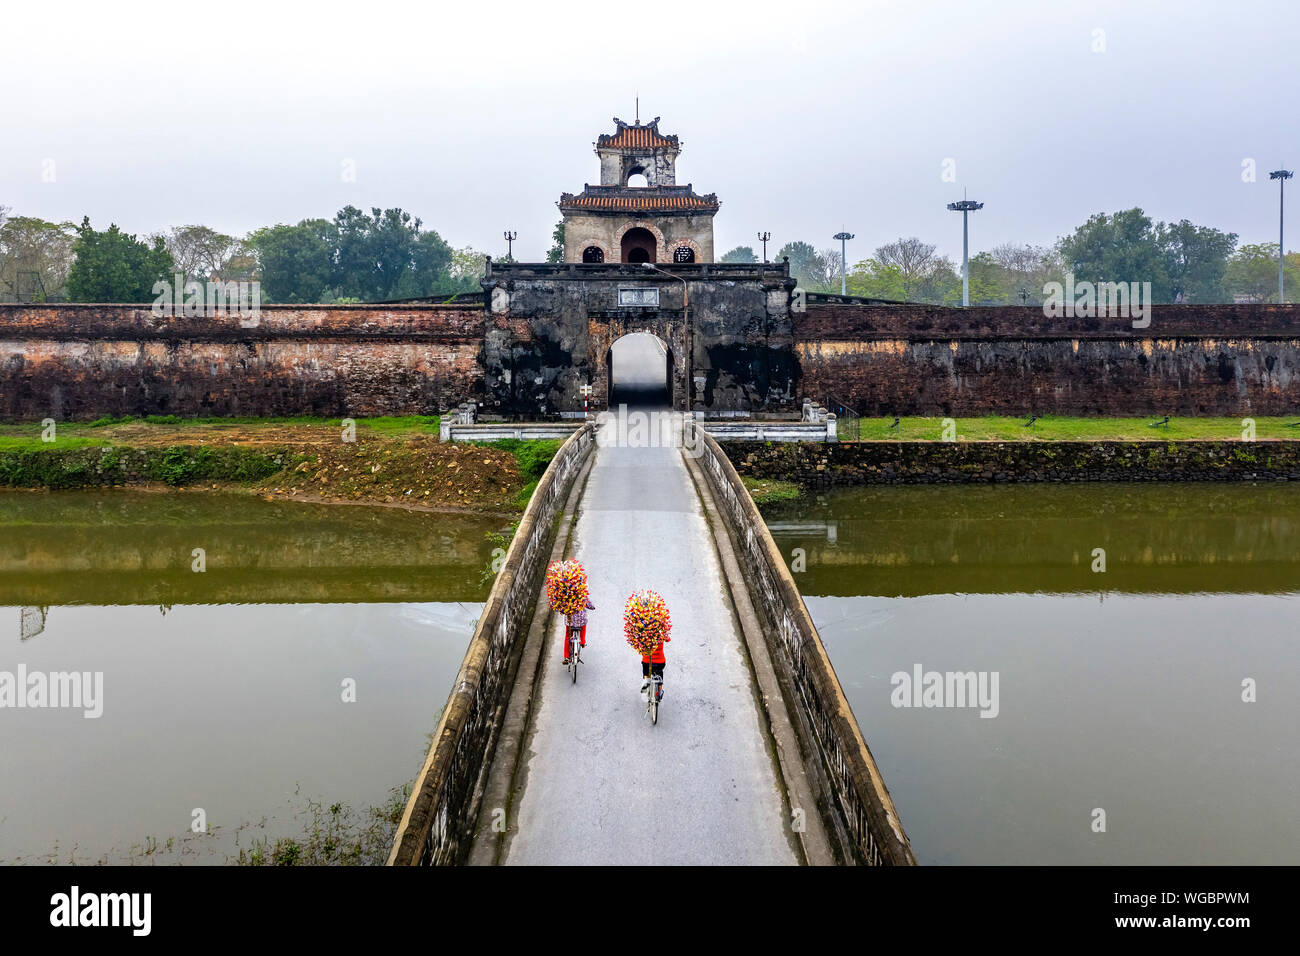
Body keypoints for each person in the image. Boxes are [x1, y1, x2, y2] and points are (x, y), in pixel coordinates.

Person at [563, 597, 594, 665]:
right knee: (583, 627)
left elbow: (560, 607)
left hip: (570, 622)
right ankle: (582, 641)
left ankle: (566, 656)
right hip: (581, 620)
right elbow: (591, 606)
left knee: (568, 636)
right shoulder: (582, 594)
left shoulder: (566, 594)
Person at [640, 633, 670, 701]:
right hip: (660, 661)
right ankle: (660, 691)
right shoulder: (662, 633)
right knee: (659, 672)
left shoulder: (643, 634)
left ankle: (646, 681)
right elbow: (668, 639)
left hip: (647, 661)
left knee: (645, 670)